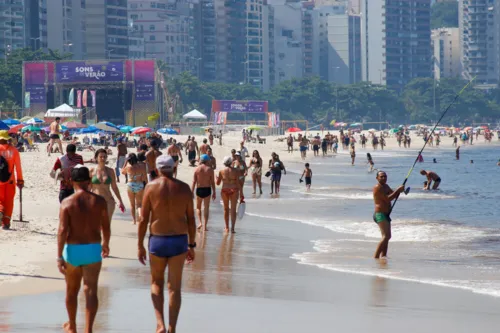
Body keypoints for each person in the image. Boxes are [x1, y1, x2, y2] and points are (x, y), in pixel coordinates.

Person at [138, 155, 196, 333]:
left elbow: (143, 219)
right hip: (179, 239)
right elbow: (191, 219)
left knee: (156, 282)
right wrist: (192, 245)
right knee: (174, 287)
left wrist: (140, 244)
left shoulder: (151, 187)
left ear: (157, 169)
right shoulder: (184, 188)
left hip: (158, 239)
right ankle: (172, 328)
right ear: (173, 168)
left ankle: (160, 324)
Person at [57, 166, 110, 333]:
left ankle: (72, 325)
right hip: (93, 249)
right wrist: (106, 243)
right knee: (91, 290)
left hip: (72, 250)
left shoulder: (67, 202)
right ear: (88, 181)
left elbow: (62, 230)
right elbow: (106, 227)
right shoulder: (99, 201)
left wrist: (59, 256)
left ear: (72, 182)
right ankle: (88, 329)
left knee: (71, 290)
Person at [372, 171, 405, 259]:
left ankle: (383, 256)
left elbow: (393, 194)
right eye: (381, 177)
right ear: (377, 178)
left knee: (388, 237)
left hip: (386, 214)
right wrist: (398, 190)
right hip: (379, 214)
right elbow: (388, 199)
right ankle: (375, 257)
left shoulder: (386, 186)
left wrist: (402, 190)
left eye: (385, 176)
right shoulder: (377, 188)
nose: (384, 178)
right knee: (385, 236)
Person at [90, 149, 125, 221]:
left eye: (104, 157)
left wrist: (120, 201)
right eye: (101, 157)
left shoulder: (110, 171)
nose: (103, 158)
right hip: (95, 201)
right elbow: (88, 187)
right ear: (96, 158)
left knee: (107, 225)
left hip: (108, 201)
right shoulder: (92, 171)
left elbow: (114, 187)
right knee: (96, 225)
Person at [0, 130, 24, 230]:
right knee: (9, 201)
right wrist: (20, 180)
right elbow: (18, 167)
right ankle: (6, 222)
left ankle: (0, 211)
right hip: (10, 181)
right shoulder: (14, 151)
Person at [216, 156, 243, 233]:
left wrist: (216, 178)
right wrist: (241, 193)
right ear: (231, 162)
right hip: (234, 189)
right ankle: (233, 229)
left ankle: (227, 227)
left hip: (224, 189)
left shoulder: (221, 171)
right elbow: (238, 183)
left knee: (226, 209)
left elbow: (218, 183)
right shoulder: (236, 171)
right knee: (233, 210)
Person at [191, 154, 216, 231]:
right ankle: (205, 226)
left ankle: (200, 222)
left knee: (198, 207)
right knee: (206, 207)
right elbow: (212, 182)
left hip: (199, 189)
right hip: (207, 189)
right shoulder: (210, 170)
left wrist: (191, 192)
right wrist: (214, 191)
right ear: (207, 160)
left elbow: (194, 181)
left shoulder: (197, 169)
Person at [121, 153, 147, 224]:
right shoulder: (141, 167)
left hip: (130, 185)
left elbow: (122, 172)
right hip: (139, 185)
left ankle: (134, 220)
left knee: (132, 204)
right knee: (139, 204)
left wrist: (125, 162)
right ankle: (140, 215)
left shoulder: (128, 167)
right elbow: (144, 178)